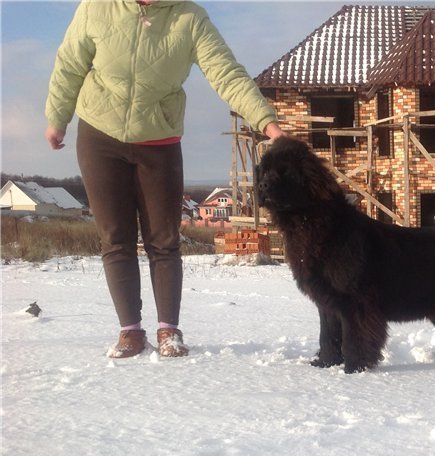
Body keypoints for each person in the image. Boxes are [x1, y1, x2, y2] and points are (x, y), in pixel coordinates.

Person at [44, 0, 286, 358]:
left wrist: (268, 123)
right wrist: (57, 117)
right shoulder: (97, 7)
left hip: (159, 141)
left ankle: (168, 330)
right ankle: (130, 331)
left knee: (164, 238)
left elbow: (226, 73)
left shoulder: (189, 17)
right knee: (115, 237)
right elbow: (70, 64)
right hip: (99, 135)